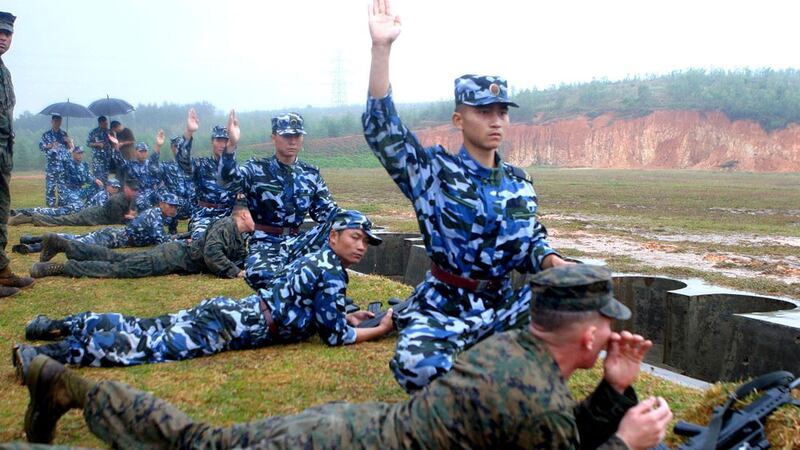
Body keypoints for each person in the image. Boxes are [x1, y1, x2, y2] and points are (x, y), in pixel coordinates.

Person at [15, 265, 672, 449]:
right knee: (194, 442)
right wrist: (629, 439)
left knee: (201, 438)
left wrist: (614, 390)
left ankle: (61, 384)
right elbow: (556, 434)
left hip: (343, 427)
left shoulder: (518, 353)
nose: (611, 337)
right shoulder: (531, 393)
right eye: (605, 331)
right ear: (586, 338)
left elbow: (555, 433)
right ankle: (62, 386)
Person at [364, 0, 571, 392]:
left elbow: (529, 240)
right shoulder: (433, 173)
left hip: (503, 306)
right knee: (417, 367)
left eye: (501, 111)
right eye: (483, 111)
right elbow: (383, 131)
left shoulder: (519, 182)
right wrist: (382, 49)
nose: (495, 120)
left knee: (573, 300)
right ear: (459, 119)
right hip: (445, 304)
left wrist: (550, 259)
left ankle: (497, 372)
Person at [15, 210, 392, 372]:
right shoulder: (331, 274)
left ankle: (54, 324)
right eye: (355, 238)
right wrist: (381, 327)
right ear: (334, 236)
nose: (361, 247)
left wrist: (344, 314)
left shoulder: (318, 261)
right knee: (146, 346)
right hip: (232, 327)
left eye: (366, 242)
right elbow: (334, 337)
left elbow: (307, 310)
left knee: (144, 326)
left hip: (231, 311)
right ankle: (43, 354)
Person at [220, 111, 340, 290]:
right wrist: (231, 146)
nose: (292, 141)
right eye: (287, 136)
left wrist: (354, 221)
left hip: (299, 241)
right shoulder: (256, 169)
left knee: (343, 227)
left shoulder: (310, 174)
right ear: (274, 137)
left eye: (297, 136)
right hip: (266, 241)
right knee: (264, 278)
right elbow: (226, 181)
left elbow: (328, 211)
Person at [27, 202, 252, 280]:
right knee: (119, 269)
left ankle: (63, 244)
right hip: (169, 258)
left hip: (171, 254)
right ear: (243, 215)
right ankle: (61, 268)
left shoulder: (236, 233)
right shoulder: (226, 226)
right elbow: (213, 255)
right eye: (255, 216)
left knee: (117, 258)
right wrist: (234, 272)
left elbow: (239, 257)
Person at [13, 193, 181, 255]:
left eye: (175, 206)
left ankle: (31, 241)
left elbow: (161, 236)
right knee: (77, 242)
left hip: (116, 235)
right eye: (171, 205)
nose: (174, 209)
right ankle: (34, 246)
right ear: (161, 204)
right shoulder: (155, 215)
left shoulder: (158, 214)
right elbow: (161, 241)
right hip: (114, 238)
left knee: (76, 238)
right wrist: (181, 241)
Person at [0, 10, 34, 297]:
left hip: (2, 155)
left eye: (8, 33)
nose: (3, 37)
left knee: (1, 211)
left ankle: (0, 270)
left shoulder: (4, 71)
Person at [176, 108, 238, 240]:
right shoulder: (202, 165)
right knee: (203, 240)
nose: (222, 144)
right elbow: (183, 161)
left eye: (226, 140)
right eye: (219, 140)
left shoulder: (234, 169)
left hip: (229, 215)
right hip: (205, 215)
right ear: (212, 142)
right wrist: (189, 132)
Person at [8, 178, 138, 227]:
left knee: (61, 218)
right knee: (60, 220)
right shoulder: (116, 200)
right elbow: (115, 221)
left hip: (91, 213)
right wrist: (129, 218)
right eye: (133, 190)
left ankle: (28, 217)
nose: (135, 193)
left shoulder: (126, 198)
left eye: (136, 190)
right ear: (126, 188)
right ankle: (28, 218)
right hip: (89, 216)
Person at [154, 130, 196, 234]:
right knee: (170, 200)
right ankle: (171, 230)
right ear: (172, 147)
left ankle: (194, 230)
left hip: (192, 203)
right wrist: (158, 148)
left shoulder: (193, 165)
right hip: (174, 204)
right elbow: (153, 169)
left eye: (181, 146)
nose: (179, 149)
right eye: (176, 146)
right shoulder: (166, 166)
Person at [56, 143, 103, 211]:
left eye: (81, 153)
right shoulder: (68, 163)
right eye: (78, 153)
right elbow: (61, 159)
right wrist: (71, 149)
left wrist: (95, 180)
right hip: (70, 190)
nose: (80, 155)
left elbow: (88, 176)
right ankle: (65, 205)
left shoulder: (84, 165)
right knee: (78, 206)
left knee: (96, 185)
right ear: (73, 153)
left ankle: (89, 206)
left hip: (81, 188)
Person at [38, 113, 69, 207]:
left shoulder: (64, 134)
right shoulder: (46, 135)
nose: (58, 123)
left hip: (63, 165)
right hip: (51, 165)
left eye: (59, 121)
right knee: (50, 187)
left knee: (62, 187)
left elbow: (69, 148)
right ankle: (50, 206)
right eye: (56, 121)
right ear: (52, 122)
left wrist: (68, 142)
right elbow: (41, 147)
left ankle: (62, 206)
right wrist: (50, 145)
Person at [86, 115, 112, 182]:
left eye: (107, 123)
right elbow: (88, 143)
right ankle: (98, 190)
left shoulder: (110, 132)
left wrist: (113, 135)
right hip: (97, 158)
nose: (106, 125)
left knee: (105, 176)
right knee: (98, 176)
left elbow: (114, 142)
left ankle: (105, 190)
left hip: (107, 157)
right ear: (100, 123)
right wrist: (97, 144)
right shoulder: (94, 132)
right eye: (104, 124)